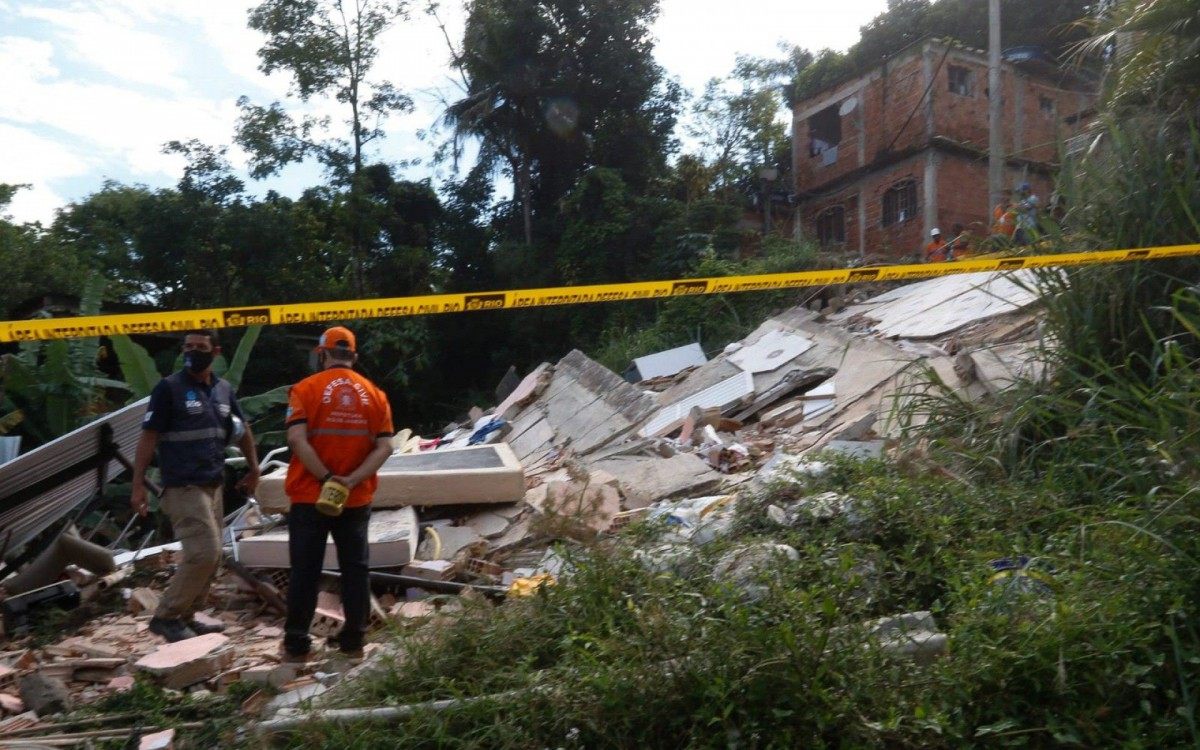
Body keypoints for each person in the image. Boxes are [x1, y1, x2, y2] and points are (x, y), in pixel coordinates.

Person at [132, 330, 260, 643]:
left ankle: (186, 616)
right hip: (182, 485)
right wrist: (137, 483)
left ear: (215, 352)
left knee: (213, 557)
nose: (192, 352)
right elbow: (149, 436)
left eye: (200, 347)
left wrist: (254, 469)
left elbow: (242, 432)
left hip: (213, 483)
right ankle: (166, 616)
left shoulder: (223, 390)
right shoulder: (169, 389)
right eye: (188, 346)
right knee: (204, 552)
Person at [282, 326, 394, 661]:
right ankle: (353, 642)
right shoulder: (375, 395)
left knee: (305, 570)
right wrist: (351, 480)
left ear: (322, 354)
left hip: (309, 495)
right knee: (355, 569)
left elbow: (296, 440)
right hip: (355, 498)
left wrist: (328, 478)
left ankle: (297, 645)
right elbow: (385, 446)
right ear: (354, 356)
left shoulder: (304, 389)